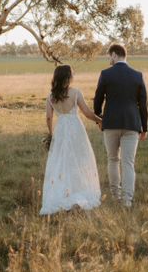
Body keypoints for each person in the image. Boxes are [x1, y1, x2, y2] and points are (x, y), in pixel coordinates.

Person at [39, 64, 102, 215]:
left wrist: (50, 134)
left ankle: (62, 192)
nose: (74, 77)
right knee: (79, 159)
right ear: (67, 77)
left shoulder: (51, 96)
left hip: (60, 130)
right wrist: (100, 120)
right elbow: (86, 112)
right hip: (75, 130)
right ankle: (78, 189)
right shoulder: (76, 93)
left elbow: (48, 117)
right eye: (72, 74)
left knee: (61, 161)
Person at [93, 43, 148, 208]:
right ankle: (127, 200)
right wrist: (144, 127)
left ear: (114, 55)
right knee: (128, 162)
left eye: (109, 56)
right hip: (132, 123)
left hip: (110, 123)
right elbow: (143, 104)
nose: (108, 59)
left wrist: (99, 118)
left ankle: (116, 196)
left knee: (112, 160)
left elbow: (98, 99)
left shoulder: (105, 74)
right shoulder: (137, 75)